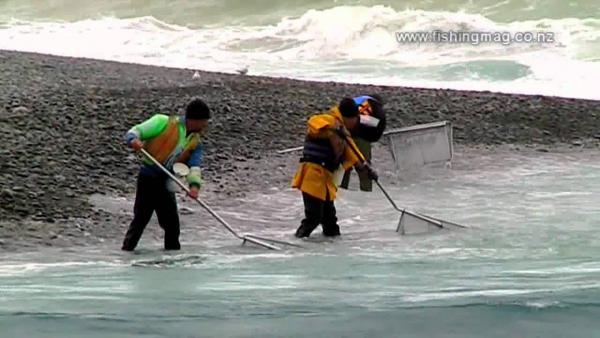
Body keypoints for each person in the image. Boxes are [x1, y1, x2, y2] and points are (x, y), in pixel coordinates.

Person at [121, 98, 211, 251]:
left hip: (166, 180)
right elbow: (135, 131)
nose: (205, 125)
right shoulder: (163, 122)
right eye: (204, 121)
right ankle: (126, 254)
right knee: (141, 219)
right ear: (194, 120)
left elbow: (194, 166)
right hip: (148, 178)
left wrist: (194, 186)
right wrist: (133, 140)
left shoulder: (195, 142)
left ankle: (172, 260)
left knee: (172, 225)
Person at [292, 98, 378, 238]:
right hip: (312, 176)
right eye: (355, 119)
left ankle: (333, 249)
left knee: (330, 222)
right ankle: (295, 244)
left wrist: (366, 168)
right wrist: (332, 128)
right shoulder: (329, 121)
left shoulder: (344, 132)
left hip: (325, 180)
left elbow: (353, 153)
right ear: (348, 117)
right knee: (313, 218)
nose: (356, 123)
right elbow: (313, 122)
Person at [339, 94, 386, 192]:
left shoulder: (357, 100)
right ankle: (366, 192)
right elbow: (378, 125)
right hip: (360, 136)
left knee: (344, 165)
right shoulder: (377, 109)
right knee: (363, 167)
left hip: (344, 132)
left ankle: (340, 189)